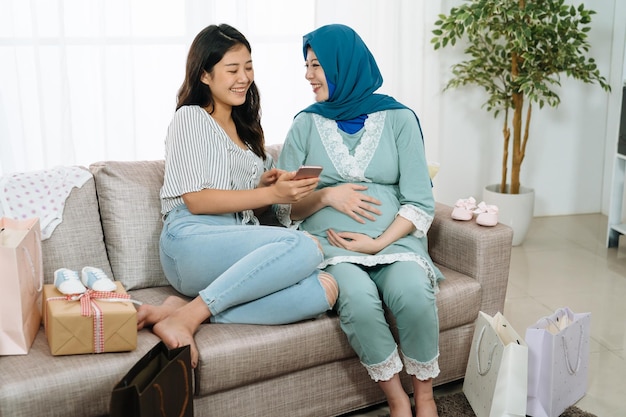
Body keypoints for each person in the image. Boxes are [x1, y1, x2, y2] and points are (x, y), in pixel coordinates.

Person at [136, 24, 338, 369]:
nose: (243, 77)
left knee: (323, 289)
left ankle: (182, 311)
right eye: (232, 69)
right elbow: (197, 200)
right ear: (204, 75)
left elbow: (244, 198)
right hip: (190, 240)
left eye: (248, 66)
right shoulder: (190, 119)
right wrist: (270, 192)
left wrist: (267, 185)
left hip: (231, 247)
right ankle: (188, 317)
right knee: (304, 246)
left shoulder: (248, 136)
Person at [277, 24, 443, 417]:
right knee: (358, 300)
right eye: (307, 65)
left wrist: (378, 242)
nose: (308, 75)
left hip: (395, 242)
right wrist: (325, 195)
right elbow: (286, 209)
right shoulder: (305, 124)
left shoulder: (400, 119)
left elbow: (420, 199)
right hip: (331, 248)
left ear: (342, 64)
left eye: (316, 65)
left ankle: (426, 396)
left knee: (414, 293)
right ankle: (397, 400)